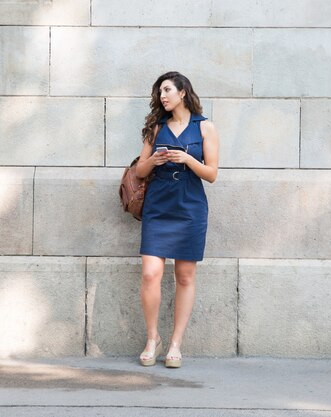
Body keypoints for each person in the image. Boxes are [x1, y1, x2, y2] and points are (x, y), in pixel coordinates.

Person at [134, 71, 219, 368]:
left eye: (167, 90)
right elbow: (138, 172)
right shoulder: (156, 129)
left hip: (190, 206)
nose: (163, 96)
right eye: (160, 92)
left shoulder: (205, 127)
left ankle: (175, 344)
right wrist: (153, 161)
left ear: (183, 92)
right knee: (150, 274)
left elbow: (212, 174)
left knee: (184, 276)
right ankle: (152, 338)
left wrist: (188, 160)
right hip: (159, 206)